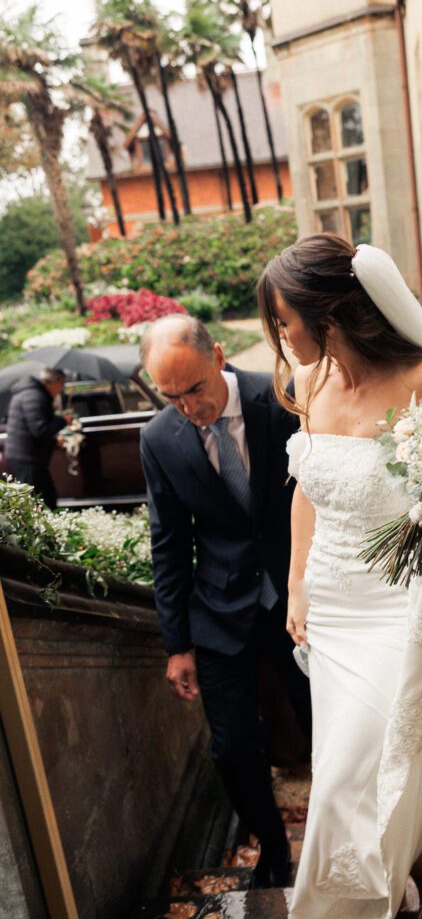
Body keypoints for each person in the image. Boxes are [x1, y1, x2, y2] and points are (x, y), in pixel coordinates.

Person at [259, 234, 422, 919]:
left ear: (329, 315)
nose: (281, 338)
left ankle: (401, 893)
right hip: (332, 602)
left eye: (285, 321)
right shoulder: (315, 384)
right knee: (350, 768)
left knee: (365, 763)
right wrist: (297, 583)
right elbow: (311, 490)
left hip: (401, 601)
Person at [139, 315, 311, 888]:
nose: (189, 406)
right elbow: (169, 543)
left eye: (194, 388)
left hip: (298, 596)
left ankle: (348, 835)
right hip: (218, 609)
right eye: (172, 396)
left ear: (217, 356)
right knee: (231, 746)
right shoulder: (159, 439)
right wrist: (177, 644)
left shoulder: (282, 394)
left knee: (324, 722)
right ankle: (272, 848)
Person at [4, 367, 71, 509]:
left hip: (25, 455)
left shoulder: (32, 393)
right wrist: (62, 421)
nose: (61, 389)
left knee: (41, 499)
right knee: (40, 501)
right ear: (56, 382)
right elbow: (40, 430)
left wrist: (54, 440)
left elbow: (34, 429)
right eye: (62, 384)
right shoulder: (35, 396)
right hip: (27, 457)